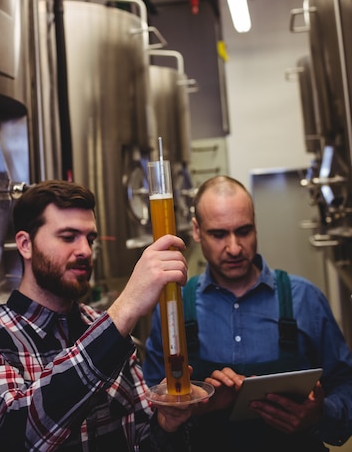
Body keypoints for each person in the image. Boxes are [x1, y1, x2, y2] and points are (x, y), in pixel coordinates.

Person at [0, 179, 202, 452]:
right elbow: (16, 437)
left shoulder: (105, 329)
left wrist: (165, 424)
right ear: (25, 244)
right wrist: (125, 308)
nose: (85, 250)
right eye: (68, 237)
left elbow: (139, 440)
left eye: (90, 238)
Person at [143, 175, 352, 452]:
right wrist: (193, 405)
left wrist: (320, 412)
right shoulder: (174, 310)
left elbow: (345, 384)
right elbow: (148, 411)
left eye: (244, 231)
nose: (234, 248)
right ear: (196, 230)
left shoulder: (306, 299)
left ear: (255, 224)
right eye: (218, 234)